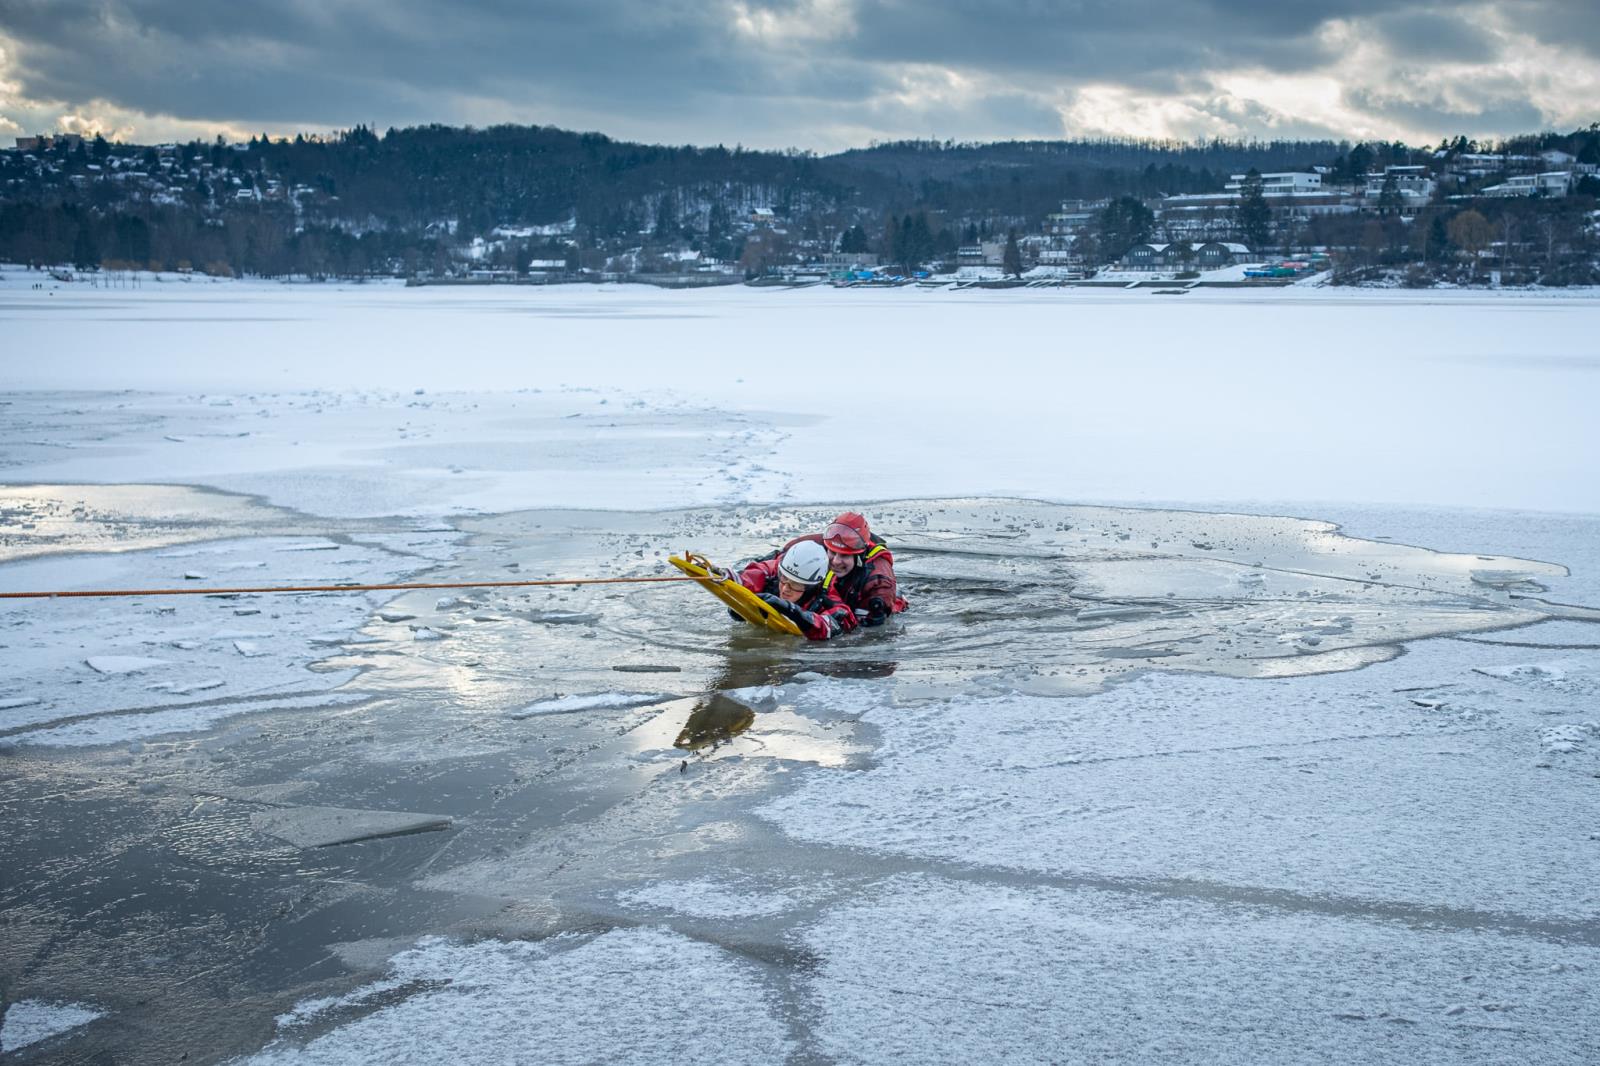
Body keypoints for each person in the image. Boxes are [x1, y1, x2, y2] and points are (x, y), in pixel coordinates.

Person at [769, 512, 908, 626]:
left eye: (844, 556)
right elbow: (783, 556)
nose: (835, 561)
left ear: (859, 555)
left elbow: (866, 634)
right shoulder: (822, 542)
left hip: (871, 606)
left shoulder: (878, 584)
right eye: (832, 552)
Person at [735, 539, 857, 641]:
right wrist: (730, 578)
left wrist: (792, 611)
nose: (785, 589)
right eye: (784, 579)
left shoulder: (828, 595)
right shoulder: (778, 568)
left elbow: (836, 623)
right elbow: (752, 574)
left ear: (811, 587)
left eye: (796, 584)